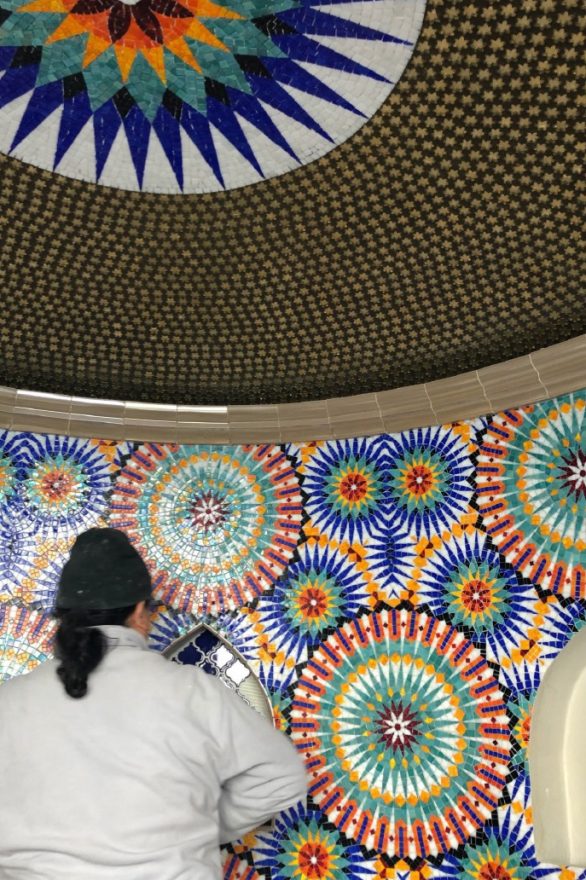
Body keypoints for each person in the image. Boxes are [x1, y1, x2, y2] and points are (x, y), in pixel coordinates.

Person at [0, 528, 307, 879]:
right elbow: (282, 777)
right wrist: (196, 827)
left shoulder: (8, 703)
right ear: (139, 611)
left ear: (66, 617)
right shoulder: (193, 693)